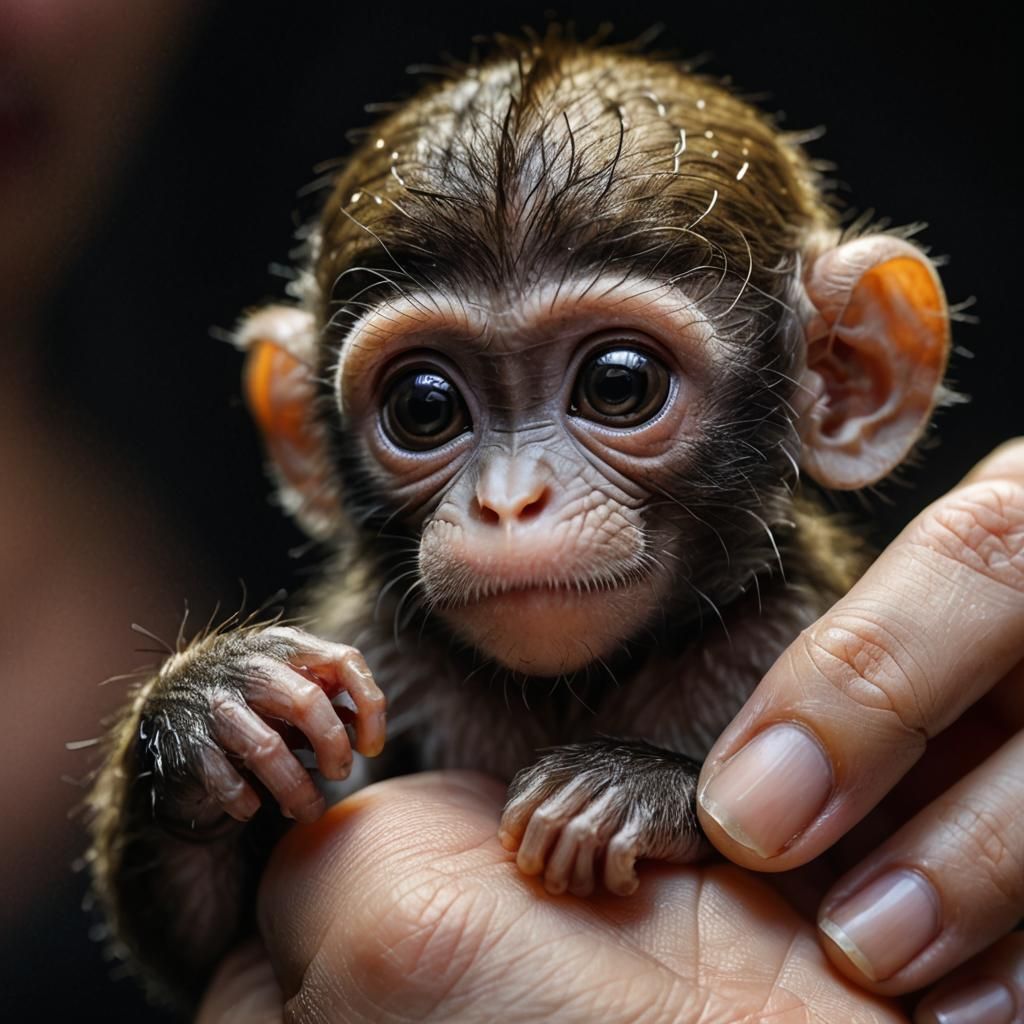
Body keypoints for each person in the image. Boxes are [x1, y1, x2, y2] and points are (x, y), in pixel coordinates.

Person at [197, 440, 1024, 1024]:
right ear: (303, 430)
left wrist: (677, 800)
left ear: (845, 372)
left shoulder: (814, 637)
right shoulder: (361, 651)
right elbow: (210, 939)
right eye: (425, 408)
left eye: (619, 387)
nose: (510, 491)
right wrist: (190, 741)